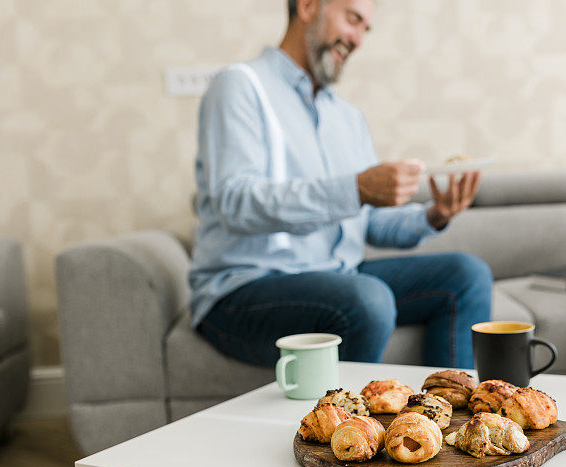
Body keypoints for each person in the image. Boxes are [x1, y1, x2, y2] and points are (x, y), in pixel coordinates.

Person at [188, 0, 492, 370]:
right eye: (352, 19)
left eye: (366, 27)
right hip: (244, 293)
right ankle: (346, 427)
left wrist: (434, 215)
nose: (359, 39)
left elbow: (369, 222)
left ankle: (448, 418)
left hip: (336, 279)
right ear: (308, 6)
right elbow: (236, 203)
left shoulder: (347, 118)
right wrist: (356, 189)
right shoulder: (239, 86)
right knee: (367, 298)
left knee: (467, 274)